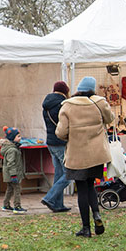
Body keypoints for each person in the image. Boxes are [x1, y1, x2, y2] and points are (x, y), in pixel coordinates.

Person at [56, 76, 115, 238]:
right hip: (96, 154)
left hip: (76, 155)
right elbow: (110, 119)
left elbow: (61, 133)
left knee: (82, 189)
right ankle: (96, 214)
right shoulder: (99, 102)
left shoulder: (67, 106)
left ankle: (86, 228)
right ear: (93, 89)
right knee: (91, 186)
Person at [40, 81, 72, 213]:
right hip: (60, 142)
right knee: (70, 173)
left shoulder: (46, 104)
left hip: (50, 142)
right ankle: (50, 197)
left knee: (59, 174)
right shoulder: (62, 105)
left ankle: (58, 205)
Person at [0, 127, 26, 213]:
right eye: (18, 136)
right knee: (17, 189)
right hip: (12, 174)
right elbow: (11, 163)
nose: (20, 138)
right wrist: (13, 175)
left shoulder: (11, 148)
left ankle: (6, 205)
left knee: (10, 189)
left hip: (9, 174)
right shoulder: (12, 150)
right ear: (12, 138)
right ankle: (17, 206)